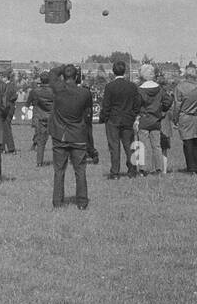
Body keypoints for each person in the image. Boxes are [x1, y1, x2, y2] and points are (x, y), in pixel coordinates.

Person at [48, 65, 92, 210]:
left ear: (64, 77)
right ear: (77, 77)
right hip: (78, 135)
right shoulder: (85, 93)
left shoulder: (58, 88)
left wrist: (63, 67)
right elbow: (87, 115)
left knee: (59, 170)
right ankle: (82, 202)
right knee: (80, 170)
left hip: (60, 135)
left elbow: (52, 73)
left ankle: (58, 202)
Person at [99, 59, 141, 179]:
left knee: (114, 146)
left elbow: (106, 105)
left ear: (113, 71)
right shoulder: (132, 86)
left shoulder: (110, 87)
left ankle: (115, 172)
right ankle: (132, 171)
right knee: (129, 146)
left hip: (113, 120)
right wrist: (134, 115)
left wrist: (104, 117)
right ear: (125, 71)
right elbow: (137, 103)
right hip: (128, 119)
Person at [170, 65, 197, 174]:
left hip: (185, 117)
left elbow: (177, 105)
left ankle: (191, 168)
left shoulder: (180, 87)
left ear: (186, 75)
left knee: (187, 143)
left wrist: (175, 119)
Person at [135, 64, 169, 176]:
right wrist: (162, 110)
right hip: (156, 120)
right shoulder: (160, 89)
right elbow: (168, 101)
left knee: (142, 146)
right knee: (157, 146)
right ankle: (159, 169)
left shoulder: (140, 90)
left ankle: (142, 169)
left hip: (144, 120)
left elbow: (136, 105)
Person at [27, 71, 55, 166]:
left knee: (40, 142)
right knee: (56, 141)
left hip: (40, 117)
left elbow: (28, 103)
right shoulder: (54, 91)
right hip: (52, 118)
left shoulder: (35, 91)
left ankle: (39, 162)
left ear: (40, 80)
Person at [1, 71, 18, 155]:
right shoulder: (12, 85)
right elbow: (15, 96)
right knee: (5, 127)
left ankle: (11, 148)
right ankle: (2, 148)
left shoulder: (5, 86)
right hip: (11, 108)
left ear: (5, 77)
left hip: (5, 108)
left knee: (6, 128)